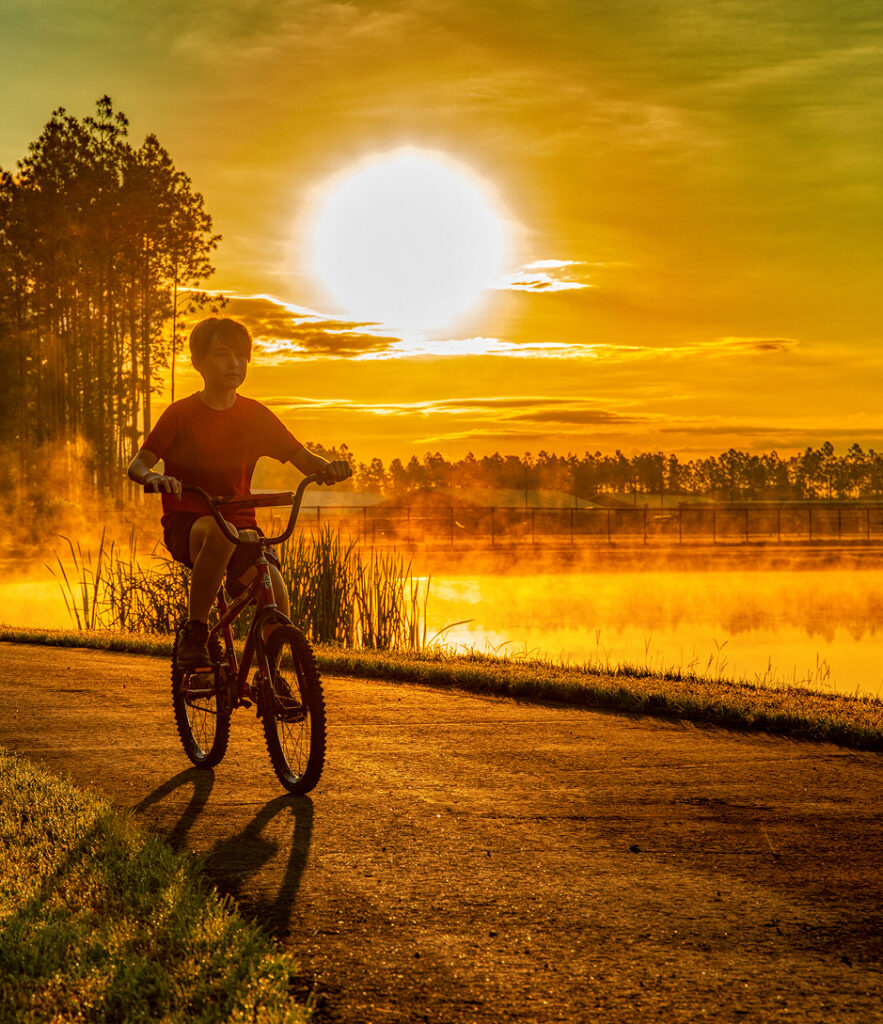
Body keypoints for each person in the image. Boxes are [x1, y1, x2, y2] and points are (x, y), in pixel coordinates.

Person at [127, 316, 351, 670]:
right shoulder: (181, 415)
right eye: (222, 355)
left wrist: (329, 468)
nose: (234, 364)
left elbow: (305, 460)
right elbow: (138, 464)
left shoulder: (255, 416)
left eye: (242, 356)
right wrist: (152, 477)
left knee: (274, 592)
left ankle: (270, 676)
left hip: (241, 525)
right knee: (220, 536)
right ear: (198, 362)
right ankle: (195, 634)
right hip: (191, 525)